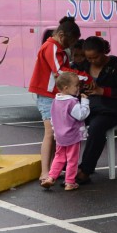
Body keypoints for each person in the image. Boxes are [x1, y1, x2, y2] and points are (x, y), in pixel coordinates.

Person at [74, 36, 117, 185]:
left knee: (96, 128)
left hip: (110, 110)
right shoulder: (84, 66)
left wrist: (102, 91)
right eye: (89, 58)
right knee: (67, 123)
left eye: (95, 57)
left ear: (104, 52)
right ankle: (66, 166)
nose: (92, 61)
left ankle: (85, 170)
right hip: (88, 107)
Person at [29, 16, 80, 182]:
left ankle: (51, 170)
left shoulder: (56, 47)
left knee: (54, 133)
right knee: (50, 132)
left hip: (53, 95)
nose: (70, 46)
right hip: (47, 95)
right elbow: (60, 71)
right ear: (62, 35)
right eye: (71, 42)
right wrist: (82, 77)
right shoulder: (51, 47)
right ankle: (45, 172)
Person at [41, 72, 91, 191]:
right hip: (72, 136)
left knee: (59, 157)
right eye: (76, 86)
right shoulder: (72, 102)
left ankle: (51, 177)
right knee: (72, 159)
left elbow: (53, 118)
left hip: (60, 136)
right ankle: (70, 182)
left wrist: (55, 132)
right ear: (66, 88)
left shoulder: (56, 101)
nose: (78, 88)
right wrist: (85, 102)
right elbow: (81, 115)